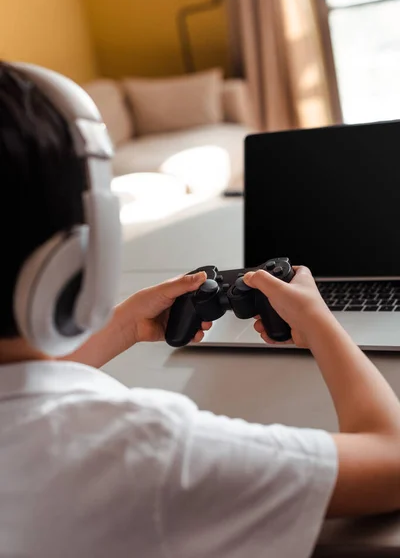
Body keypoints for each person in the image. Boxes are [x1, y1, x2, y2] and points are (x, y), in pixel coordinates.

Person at [1, 60, 400, 558]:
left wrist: (123, 324)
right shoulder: (148, 450)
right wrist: (320, 321)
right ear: (89, 252)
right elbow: (391, 462)